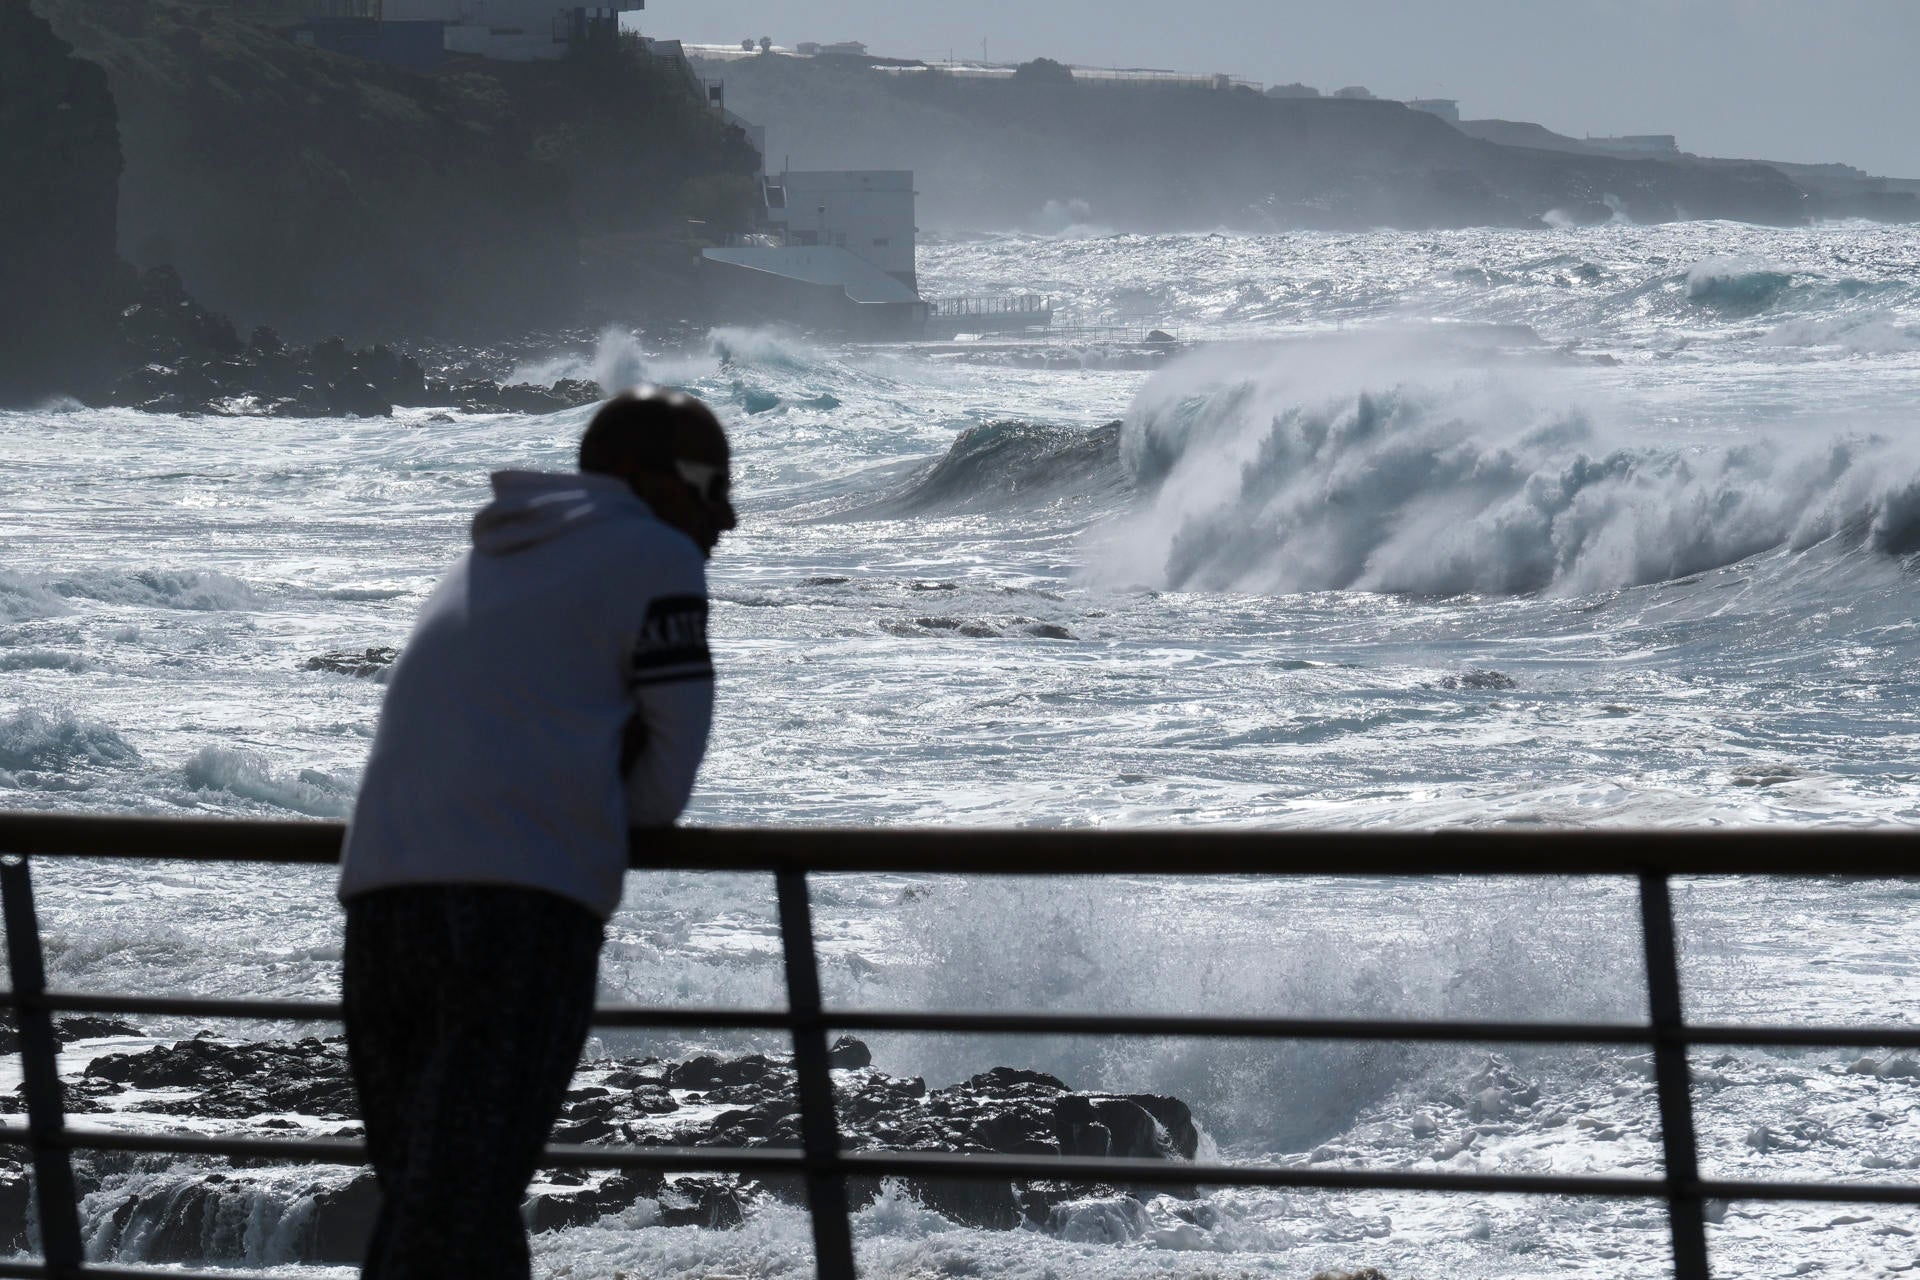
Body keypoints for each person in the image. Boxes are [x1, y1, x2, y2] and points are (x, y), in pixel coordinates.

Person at [336, 388, 736, 1280]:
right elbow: (664, 790)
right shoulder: (659, 553)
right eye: (711, 484)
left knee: (436, 1199)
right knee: (455, 1207)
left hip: (382, 893)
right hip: (517, 905)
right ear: (639, 478)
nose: (727, 516)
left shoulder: (488, 556)